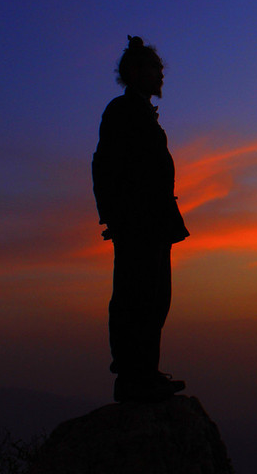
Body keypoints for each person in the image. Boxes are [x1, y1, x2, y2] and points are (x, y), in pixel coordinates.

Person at [92, 35, 190, 402]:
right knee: (138, 296)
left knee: (155, 297)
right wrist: (115, 217)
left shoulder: (139, 113)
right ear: (135, 72)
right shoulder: (121, 111)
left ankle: (145, 373)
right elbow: (104, 166)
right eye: (154, 69)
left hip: (152, 222)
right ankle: (134, 377)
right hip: (138, 224)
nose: (160, 76)